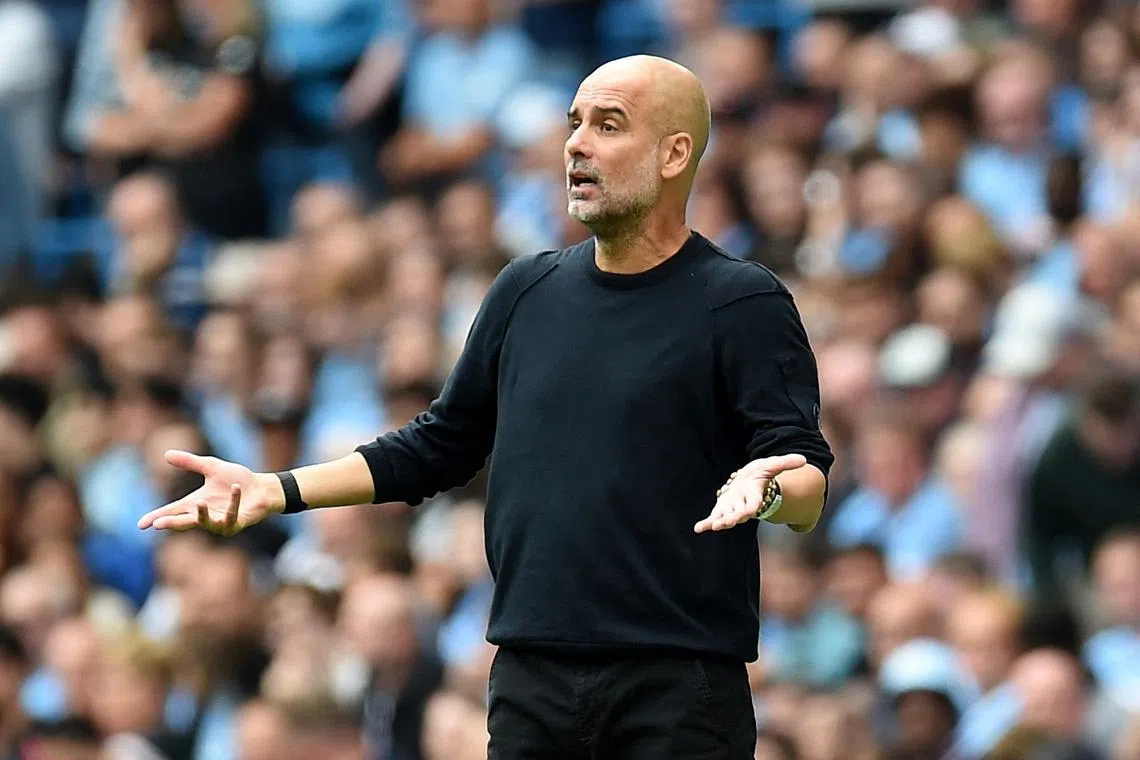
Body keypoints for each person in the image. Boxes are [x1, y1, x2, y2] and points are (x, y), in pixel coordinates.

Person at [138, 54, 833, 758]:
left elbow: (806, 483)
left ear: (674, 152)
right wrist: (275, 489)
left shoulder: (741, 301)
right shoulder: (524, 290)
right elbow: (438, 445)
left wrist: (769, 487)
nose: (576, 144)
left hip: (678, 686)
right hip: (531, 681)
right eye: (574, 124)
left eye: (608, 124)